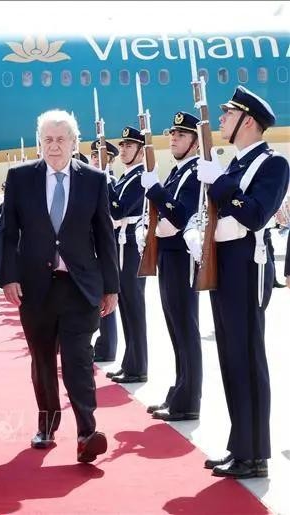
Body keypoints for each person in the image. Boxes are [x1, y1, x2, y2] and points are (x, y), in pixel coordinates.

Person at [0, 109, 118, 463]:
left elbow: (104, 235)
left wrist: (111, 287)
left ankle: (86, 431)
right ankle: (47, 424)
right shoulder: (20, 178)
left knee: (78, 358)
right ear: (40, 143)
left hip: (79, 286)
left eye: (60, 139)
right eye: (47, 140)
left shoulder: (94, 180)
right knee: (42, 360)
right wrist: (9, 276)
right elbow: (8, 234)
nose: (54, 146)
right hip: (35, 288)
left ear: (73, 142)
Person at [184, 86, 289, 479]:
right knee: (229, 357)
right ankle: (240, 446)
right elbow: (208, 212)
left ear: (249, 121)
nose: (223, 120)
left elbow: (255, 214)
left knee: (247, 358)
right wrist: (198, 235)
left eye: (229, 114)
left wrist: (222, 185)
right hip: (222, 268)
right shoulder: (231, 165)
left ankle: (256, 454)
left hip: (247, 269)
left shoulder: (271, 164)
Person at [137, 111, 202, 421]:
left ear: (195, 142)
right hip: (169, 256)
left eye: (182, 134)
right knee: (176, 328)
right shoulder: (178, 173)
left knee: (185, 328)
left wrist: (156, 190)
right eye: (173, 134)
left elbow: (179, 215)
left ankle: (189, 399)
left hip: (182, 259)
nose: (174, 138)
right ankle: (180, 390)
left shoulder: (193, 174)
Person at [105, 126, 148, 384]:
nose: (123, 149)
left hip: (133, 245)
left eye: (130, 146)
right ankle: (130, 363)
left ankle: (138, 365)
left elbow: (118, 210)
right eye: (122, 145)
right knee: (126, 306)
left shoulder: (141, 177)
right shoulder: (125, 177)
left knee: (134, 306)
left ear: (142, 151)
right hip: (123, 243)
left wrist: (104, 180)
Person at [89, 139, 119, 362]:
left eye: (99, 155)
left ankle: (108, 347)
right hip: (91, 246)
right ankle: (101, 343)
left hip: (109, 244)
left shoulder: (111, 181)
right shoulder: (90, 181)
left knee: (107, 298)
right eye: (93, 155)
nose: (94, 159)